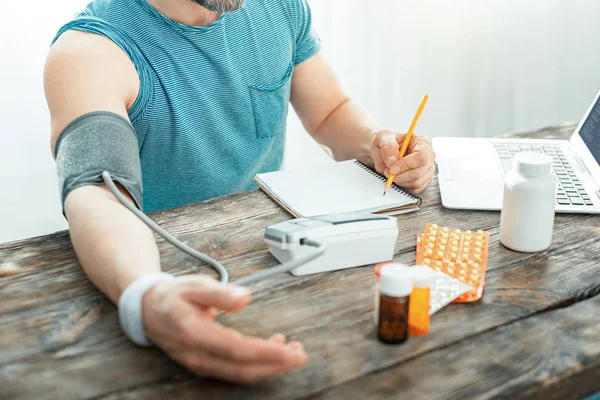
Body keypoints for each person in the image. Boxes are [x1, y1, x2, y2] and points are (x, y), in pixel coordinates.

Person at [44, 0, 436, 385]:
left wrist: (377, 148)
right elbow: (98, 194)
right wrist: (147, 294)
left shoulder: (281, 8)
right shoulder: (87, 53)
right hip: (162, 268)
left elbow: (330, 111)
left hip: (276, 257)